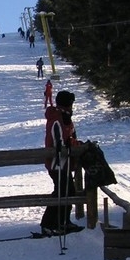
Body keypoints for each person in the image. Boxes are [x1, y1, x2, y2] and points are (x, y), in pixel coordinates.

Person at [40, 90, 84, 236]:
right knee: (62, 192)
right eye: (71, 103)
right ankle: (49, 223)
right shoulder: (56, 119)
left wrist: (76, 143)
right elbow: (57, 141)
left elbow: (70, 136)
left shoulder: (66, 118)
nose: (72, 107)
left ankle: (63, 221)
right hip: (56, 162)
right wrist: (70, 145)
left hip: (65, 162)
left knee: (67, 191)